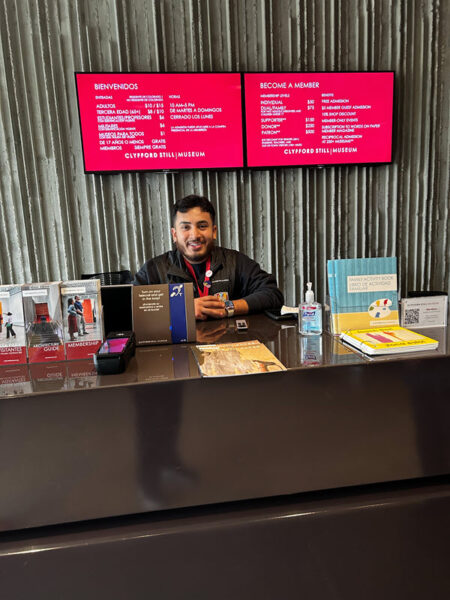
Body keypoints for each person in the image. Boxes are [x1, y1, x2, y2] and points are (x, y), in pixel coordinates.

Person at [133, 195, 284, 320]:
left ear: (214, 231)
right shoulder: (154, 270)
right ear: (174, 234)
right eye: (186, 227)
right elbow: (131, 309)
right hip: (176, 352)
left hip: (230, 350)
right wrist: (181, 309)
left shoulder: (234, 261)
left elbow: (273, 294)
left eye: (202, 226)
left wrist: (228, 307)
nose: (195, 235)